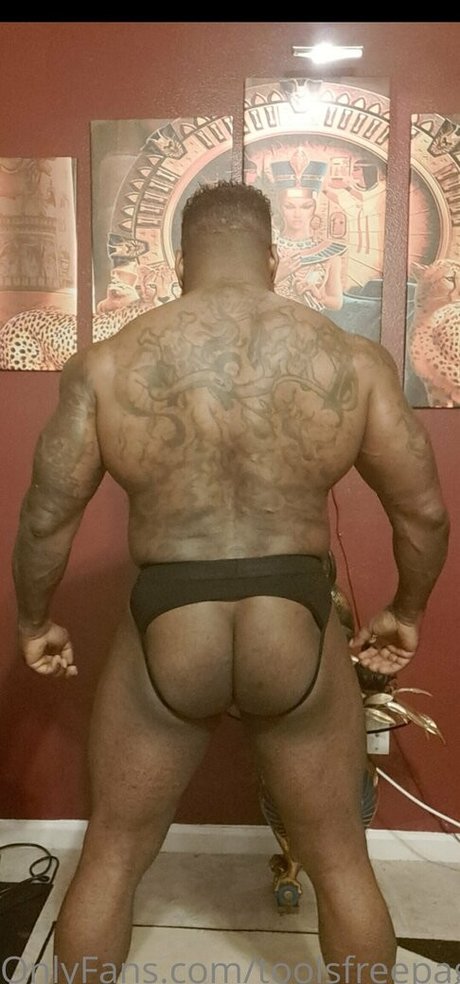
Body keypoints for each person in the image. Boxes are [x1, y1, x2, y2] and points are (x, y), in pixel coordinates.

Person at [12, 181, 449, 984]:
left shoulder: (107, 364)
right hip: (295, 619)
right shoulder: (351, 360)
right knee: (339, 860)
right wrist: (406, 611)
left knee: (113, 851)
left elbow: (45, 516)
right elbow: (422, 512)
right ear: (273, 257)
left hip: (169, 621)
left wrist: (36, 621)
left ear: (181, 263)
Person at [271, 156, 347, 311]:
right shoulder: (267, 249)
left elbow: (337, 303)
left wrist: (319, 296)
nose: (297, 214)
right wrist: (277, 276)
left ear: (315, 208)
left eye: (306, 206)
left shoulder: (329, 252)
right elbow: (249, 296)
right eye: (289, 206)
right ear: (280, 207)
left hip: (311, 323)